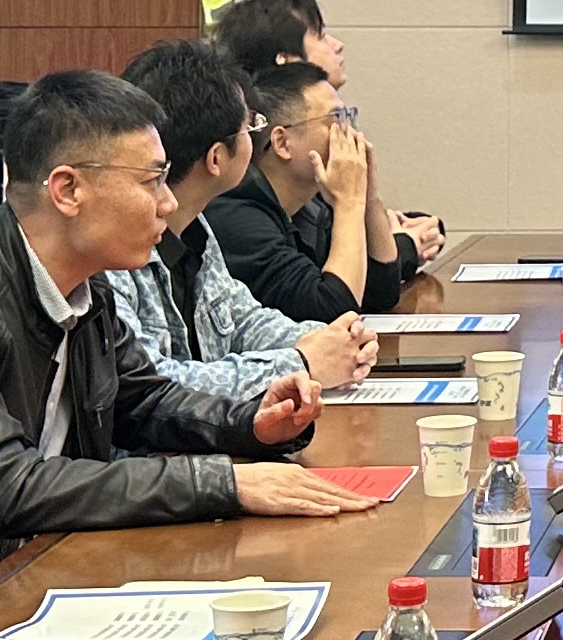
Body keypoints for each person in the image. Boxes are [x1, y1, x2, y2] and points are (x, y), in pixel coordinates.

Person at [0, 70, 377, 533]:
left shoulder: (88, 285)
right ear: (68, 190)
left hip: (61, 552)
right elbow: (10, 485)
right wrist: (221, 482)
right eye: (152, 181)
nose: (168, 203)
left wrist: (253, 423)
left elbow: (144, 400)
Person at [111, 36, 375, 432]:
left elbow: (241, 319)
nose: (256, 136)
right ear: (217, 157)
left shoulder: (196, 227)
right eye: (250, 127)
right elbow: (153, 386)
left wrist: (333, 341)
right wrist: (302, 361)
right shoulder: (115, 247)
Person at [219, 0, 444, 271]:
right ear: (287, 61)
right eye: (321, 35)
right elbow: (333, 280)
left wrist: (408, 230)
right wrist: (403, 246)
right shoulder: (249, 193)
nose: (337, 45)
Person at [207, 53, 414, 323]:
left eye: (348, 116)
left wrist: (369, 195)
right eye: (335, 119)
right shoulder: (236, 214)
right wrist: (349, 203)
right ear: (282, 143)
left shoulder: (309, 209)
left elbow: (381, 291)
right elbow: (333, 313)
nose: (350, 133)